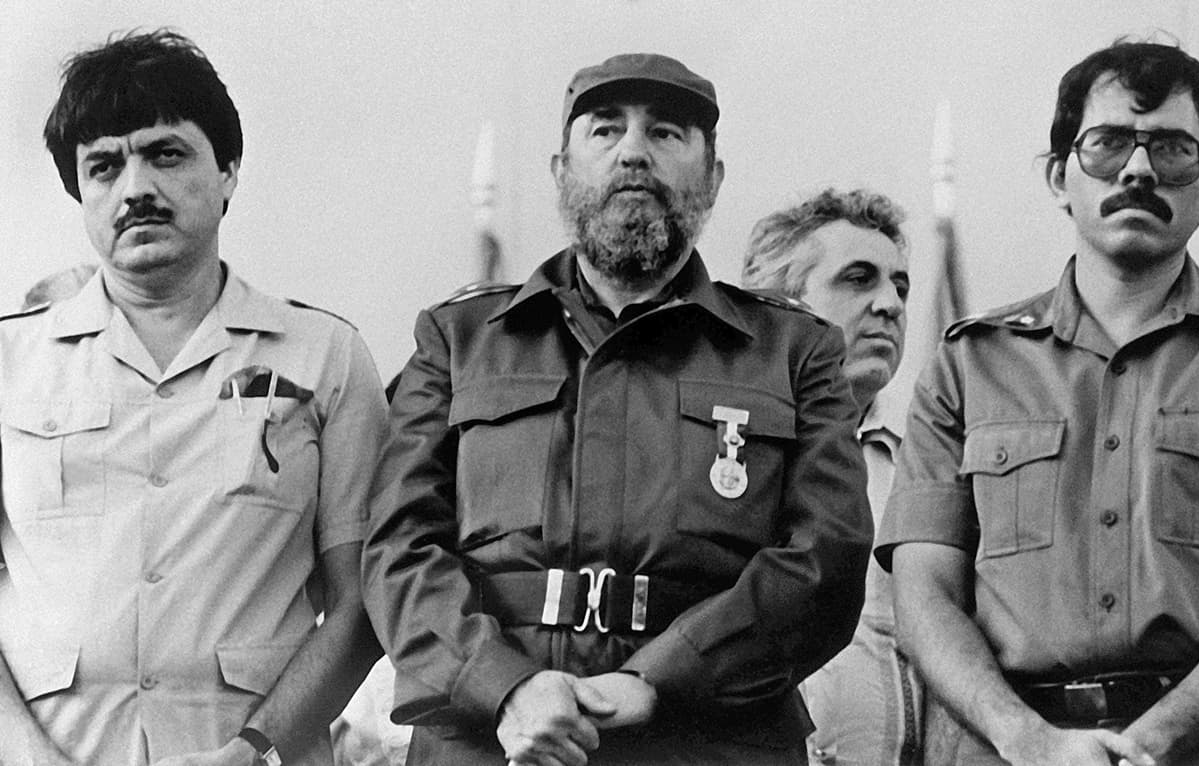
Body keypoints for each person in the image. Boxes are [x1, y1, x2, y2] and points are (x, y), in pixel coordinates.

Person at [362, 53, 872, 765]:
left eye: (666, 133)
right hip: (489, 741)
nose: (634, 150)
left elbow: (828, 560)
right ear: (560, 171)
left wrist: (656, 680)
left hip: (711, 742)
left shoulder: (793, 351)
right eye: (606, 131)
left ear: (714, 177)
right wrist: (503, 687)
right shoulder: (460, 341)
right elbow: (397, 545)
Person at [878, 40, 1199, 766]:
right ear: (1061, 177)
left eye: (1173, 151)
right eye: (1107, 145)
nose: (1137, 169)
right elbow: (925, 596)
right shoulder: (970, 364)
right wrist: (1025, 738)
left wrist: (1153, 739)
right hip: (1008, 749)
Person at [0, 30, 387, 765]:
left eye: (166, 153)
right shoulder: (8, 363)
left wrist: (257, 750)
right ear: (80, 192)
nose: (135, 188)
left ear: (229, 171)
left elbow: (362, 603)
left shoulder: (325, 357)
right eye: (104, 166)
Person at [743, 189, 921, 766]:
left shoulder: (927, 462)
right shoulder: (724, 461)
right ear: (780, 306)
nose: (890, 303)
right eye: (858, 279)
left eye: (899, 285)